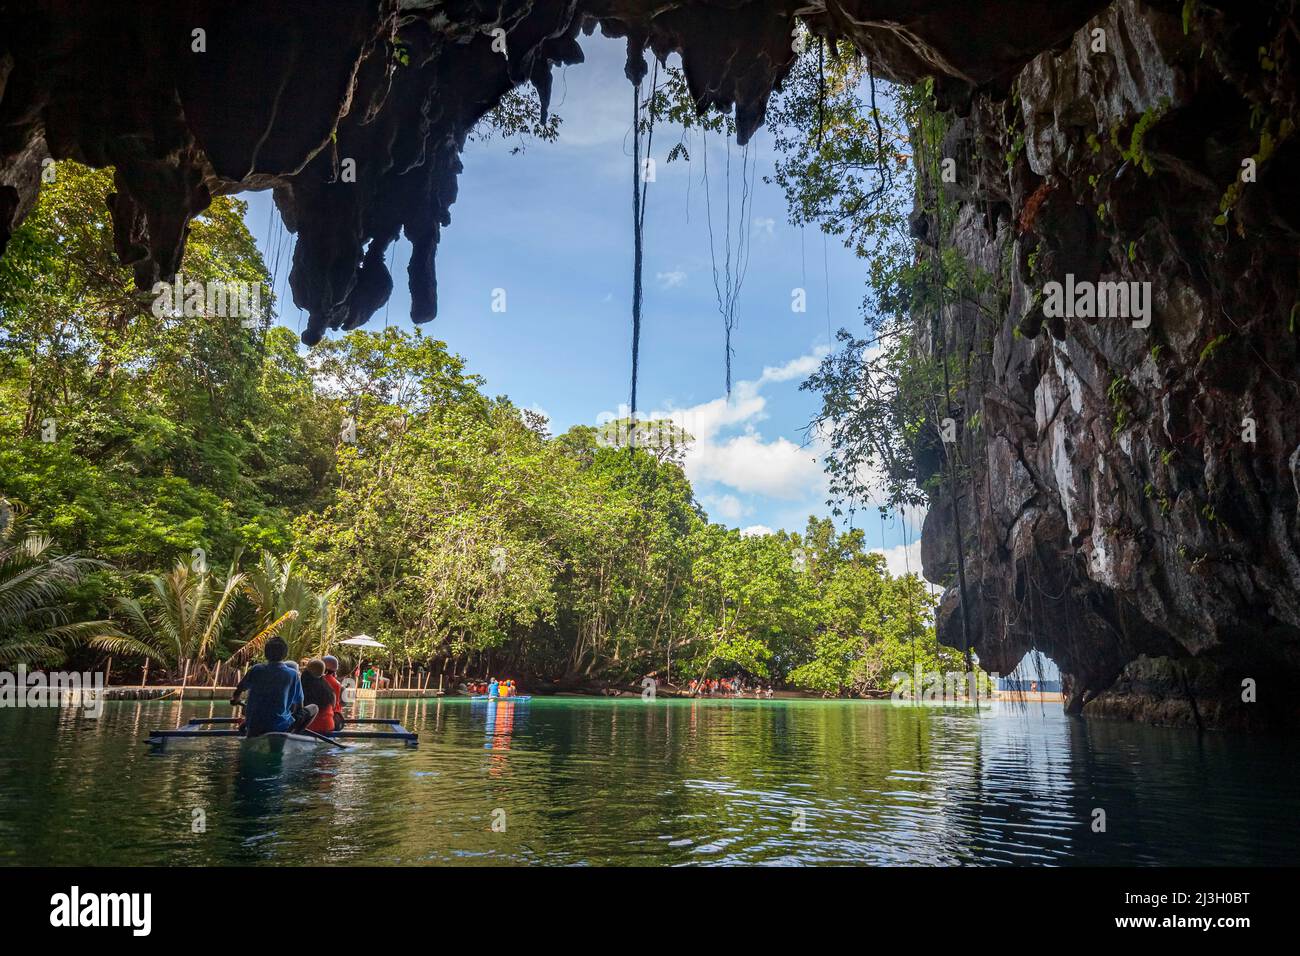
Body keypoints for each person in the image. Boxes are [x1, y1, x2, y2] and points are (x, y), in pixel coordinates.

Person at [230, 637, 311, 737]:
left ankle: (246, 725)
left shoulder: (256, 669)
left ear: (266, 654)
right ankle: (293, 735)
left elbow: (239, 690)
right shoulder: (293, 674)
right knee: (313, 708)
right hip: (279, 726)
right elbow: (299, 707)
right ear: (285, 655)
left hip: (254, 725)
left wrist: (235, 699)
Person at [303, 659, 338, 734]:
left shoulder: (302, 686)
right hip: (328, 726)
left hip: (309, 728)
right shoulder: (329, 689)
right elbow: (334, 706)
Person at [322, 655, 345, 732]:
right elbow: (342, 703)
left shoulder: (315, 680)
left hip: (329, 717)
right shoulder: (338, 684)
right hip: (334, 718)